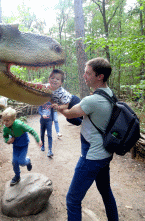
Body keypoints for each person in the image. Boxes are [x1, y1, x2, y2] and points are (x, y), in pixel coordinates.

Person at [59, 57, 119, 221]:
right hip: (105, 154)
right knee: (106, 193)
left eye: (88, 73)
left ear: (100, 76)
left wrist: (58, 105)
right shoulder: (110, 94)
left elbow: (69, 113)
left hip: (92, 156)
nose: (84, 76)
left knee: (72, 200)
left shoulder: (93, 100)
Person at [2, 107, 42, 186]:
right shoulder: (5, 128)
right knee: (14, 162)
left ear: (14, 119)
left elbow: (31, 130)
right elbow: (5, 136)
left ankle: (28, 161)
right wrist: (8, 141)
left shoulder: (20, 125)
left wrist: (38, 139)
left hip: (24, 145)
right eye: (4, 120)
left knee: (21, 162)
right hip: (16, 145)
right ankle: (17, 176)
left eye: (7, 120)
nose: (5, 122)